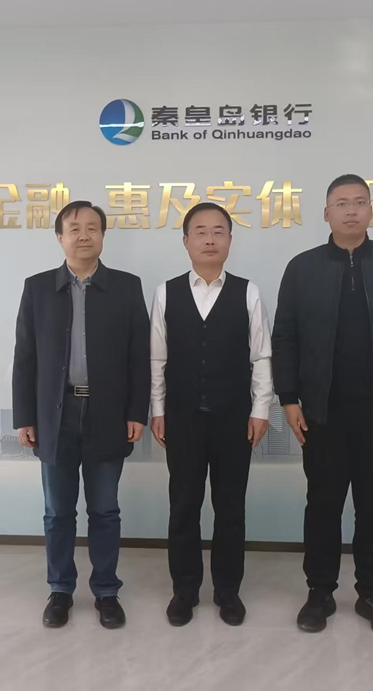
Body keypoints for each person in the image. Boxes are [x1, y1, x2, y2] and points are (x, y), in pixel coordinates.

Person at [271, 174, 373, 637]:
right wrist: (289, 398)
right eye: (341, 203)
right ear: (326, 213)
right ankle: (319, 592)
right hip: (321, 413)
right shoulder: (302, 268)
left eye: (360, 202)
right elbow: (285, 338)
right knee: (322, 505)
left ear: (370, 211)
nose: (351, 210)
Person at [12, 200, 150, 629]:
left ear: (103, 236)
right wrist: (24, 416)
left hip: (107, 413)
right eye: (74, 228)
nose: (84, 235)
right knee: (58, 511)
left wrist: (137, 411)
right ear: (60, 237)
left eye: (93, 228)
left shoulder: (126, 287)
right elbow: (25, 357)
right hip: (55, 414)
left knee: (105, 509)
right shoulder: (38, 288)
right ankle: (60, 590)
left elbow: (139, 356)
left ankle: (106, 591)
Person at [150, 202, 274, 627]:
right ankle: (184, 591)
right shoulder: (166, 293)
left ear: (230, 241)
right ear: (185, 241)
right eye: (200, 232)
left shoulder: (248, 292)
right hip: (182, 418)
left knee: (230, 508)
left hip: (234, 419)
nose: (209, 239)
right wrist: (158, 409)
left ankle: (227, 591)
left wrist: (260, 410)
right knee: (183, 506)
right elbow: (157, 359)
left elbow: (261, 356)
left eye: (218, 231)